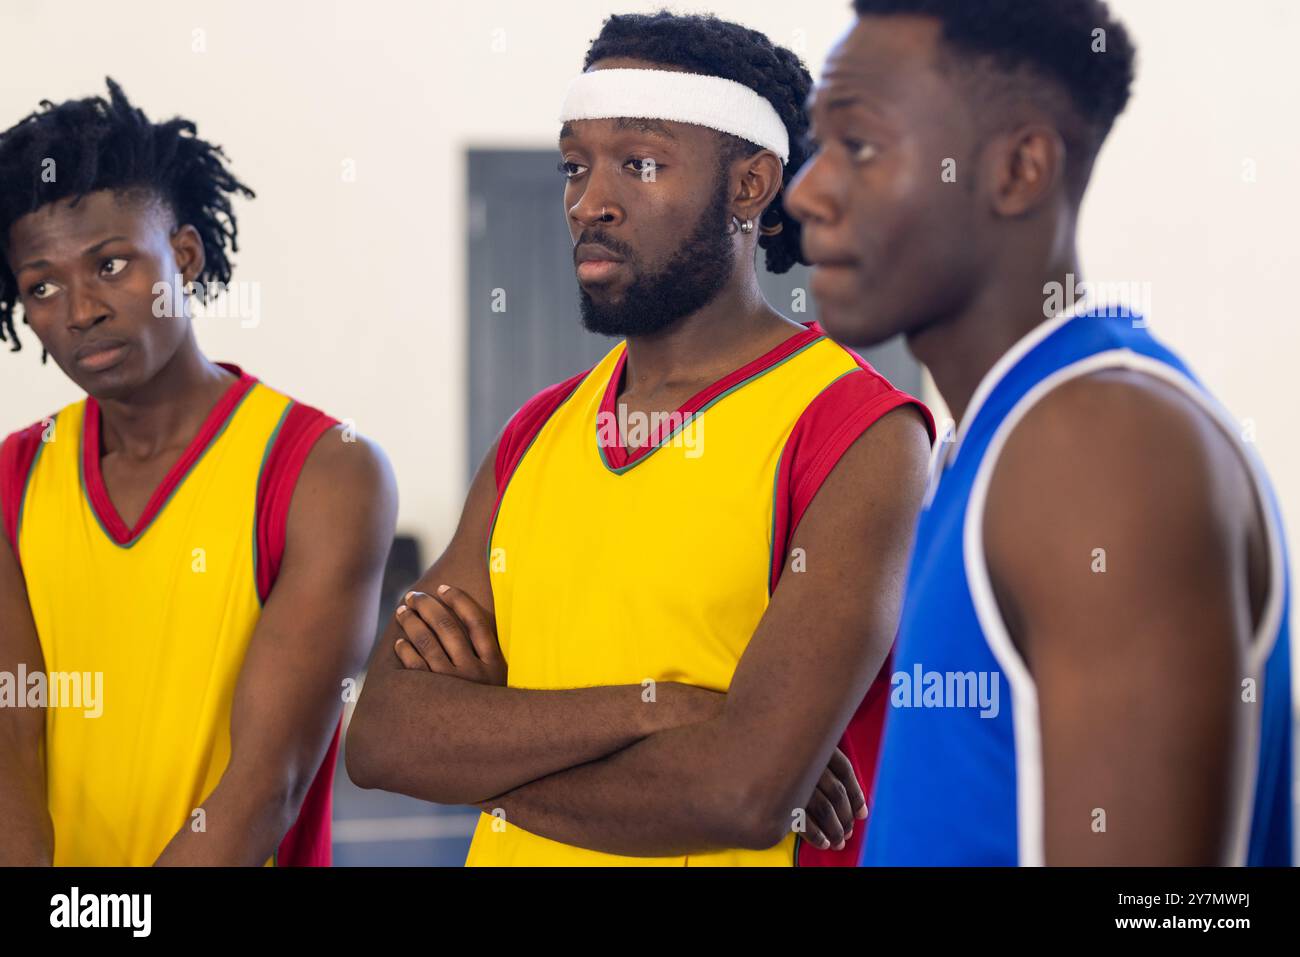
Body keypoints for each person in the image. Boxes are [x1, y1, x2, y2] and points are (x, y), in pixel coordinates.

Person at [347, 11, 933, 866]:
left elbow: (742, 795)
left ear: (751, 185)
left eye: (640, 162)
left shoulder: (857, 432)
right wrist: (666, 707)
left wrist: (474, 750)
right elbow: (383, 738)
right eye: (575, 166)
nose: (590, 201)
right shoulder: (535, 432)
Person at [787, 0, 1292, 865]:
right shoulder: (990, 444)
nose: (809, 189)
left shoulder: (1097, 446)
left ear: (1019, 170)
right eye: (818, 145)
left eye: (859, 147)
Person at [0, 79, 397, 865]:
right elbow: (11, 740)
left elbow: (265, 785)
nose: (79, 310)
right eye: (42, 286)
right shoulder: (13, 477)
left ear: (184, 254)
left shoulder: (324, 470)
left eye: (111, 264)